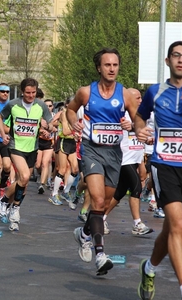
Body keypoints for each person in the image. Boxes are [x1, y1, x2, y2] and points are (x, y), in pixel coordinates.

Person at [135, 41, 182, 300]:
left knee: (173, 229)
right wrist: (139, 128)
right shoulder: (155, 91)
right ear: (168, 60)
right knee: (180, 225)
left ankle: (149, 268)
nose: (181, 60)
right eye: (176, 56)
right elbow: (140, 115)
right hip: (164, 164)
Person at [66, 48, 137, 276]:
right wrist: (73, 122)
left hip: (114, 153)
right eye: (107, 65)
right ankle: (99, 254)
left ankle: (84, 233)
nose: (112, 69)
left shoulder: (125, 94)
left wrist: (132, 125)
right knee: (96, 198)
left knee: (103, 204)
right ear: (99, 67)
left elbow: (139, 121)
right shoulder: (86, 92)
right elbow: (70, 109)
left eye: (115, 65)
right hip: (92, 150)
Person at [0, 78, 53, 231]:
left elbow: (51, 122)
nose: (30, 95)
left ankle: (4, 200)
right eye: (27, 93)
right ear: (22, 92)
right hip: (16, 146)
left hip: (32, 147)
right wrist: (3, 135)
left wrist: (49, 127)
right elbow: (0, 117)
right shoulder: (13, 104)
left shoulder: (40, 105)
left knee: (24, 182)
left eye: (33, 93)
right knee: (25, 176)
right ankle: (15, 208)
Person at [102, 88, 153, 236]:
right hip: (123, 158)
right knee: (136, 187)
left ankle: (100, 218)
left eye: (141, 98)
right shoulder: (121, 113)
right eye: (137, 97)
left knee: (119, 193)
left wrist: (148, 142)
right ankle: (137, 224)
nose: (140, 100)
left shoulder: (141, 116)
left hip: (134, 157)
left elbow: (140, 137)